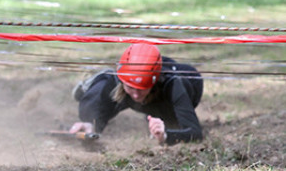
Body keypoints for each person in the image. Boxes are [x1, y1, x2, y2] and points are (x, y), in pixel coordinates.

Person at [70, 44, 203, 145]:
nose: (135, 95)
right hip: (124, 85)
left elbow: (195, 133)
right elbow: (99, 111)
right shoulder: (119, 84)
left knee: (171, 122)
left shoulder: (174, 86)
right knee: (104, 85)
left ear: (153, 84)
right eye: (130, 87)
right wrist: (90, 124)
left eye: (142, 89)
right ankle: (97, 79)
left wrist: (166, 135)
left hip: (183, 90)